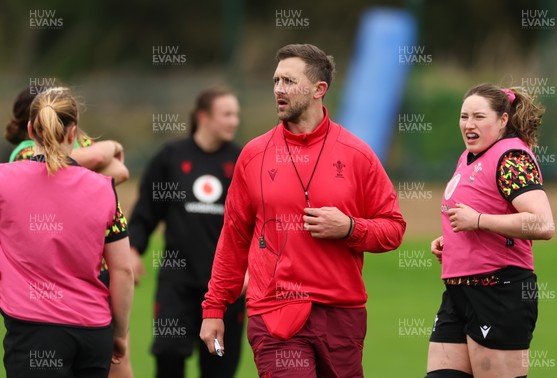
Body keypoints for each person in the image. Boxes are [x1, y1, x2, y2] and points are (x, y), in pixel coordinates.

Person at [200, 44, 406, 377]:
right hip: (275, 315)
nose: (278, 89)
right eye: (276, 80)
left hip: (343, 316)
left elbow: (394, 228)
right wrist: (214, 308)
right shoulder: (253, 156)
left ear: (318, 90)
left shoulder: (358, 155)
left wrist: (351, 228)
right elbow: (234, 238)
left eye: (289, 81)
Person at [0, 87, 134, 378]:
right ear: (73, 133)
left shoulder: (4, 179)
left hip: (34, 332)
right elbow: (123, 270)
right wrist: (120, 333)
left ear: (30, 129)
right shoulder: (104, 189)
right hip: (94, 333)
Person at [426, 83, 555, 378]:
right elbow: (479, 215)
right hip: (458, 293)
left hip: (499, 292)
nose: (468, 124)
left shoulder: (511, 159)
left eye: (479, 117)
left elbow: (544, 223)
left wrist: (479, 221)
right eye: (464, 116)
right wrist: (454, 241)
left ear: (502, 121)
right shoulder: (468, 157)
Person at [128, 88, 246, 378]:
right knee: (167, 353)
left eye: (237, 115)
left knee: (218, 364)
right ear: (203, 117)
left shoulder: (243, 161)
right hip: (177, 282)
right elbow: (146, 210)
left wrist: (253, 268)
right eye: (227, 114)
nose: (234, 121)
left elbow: (259, 223)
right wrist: (132, 250)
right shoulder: (171, 157)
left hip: (227, 287)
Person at [5, 85, 129, 184]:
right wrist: (114, 146)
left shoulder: (79, 141)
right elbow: (98, 157)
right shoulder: (24, 153)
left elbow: (120, 171)